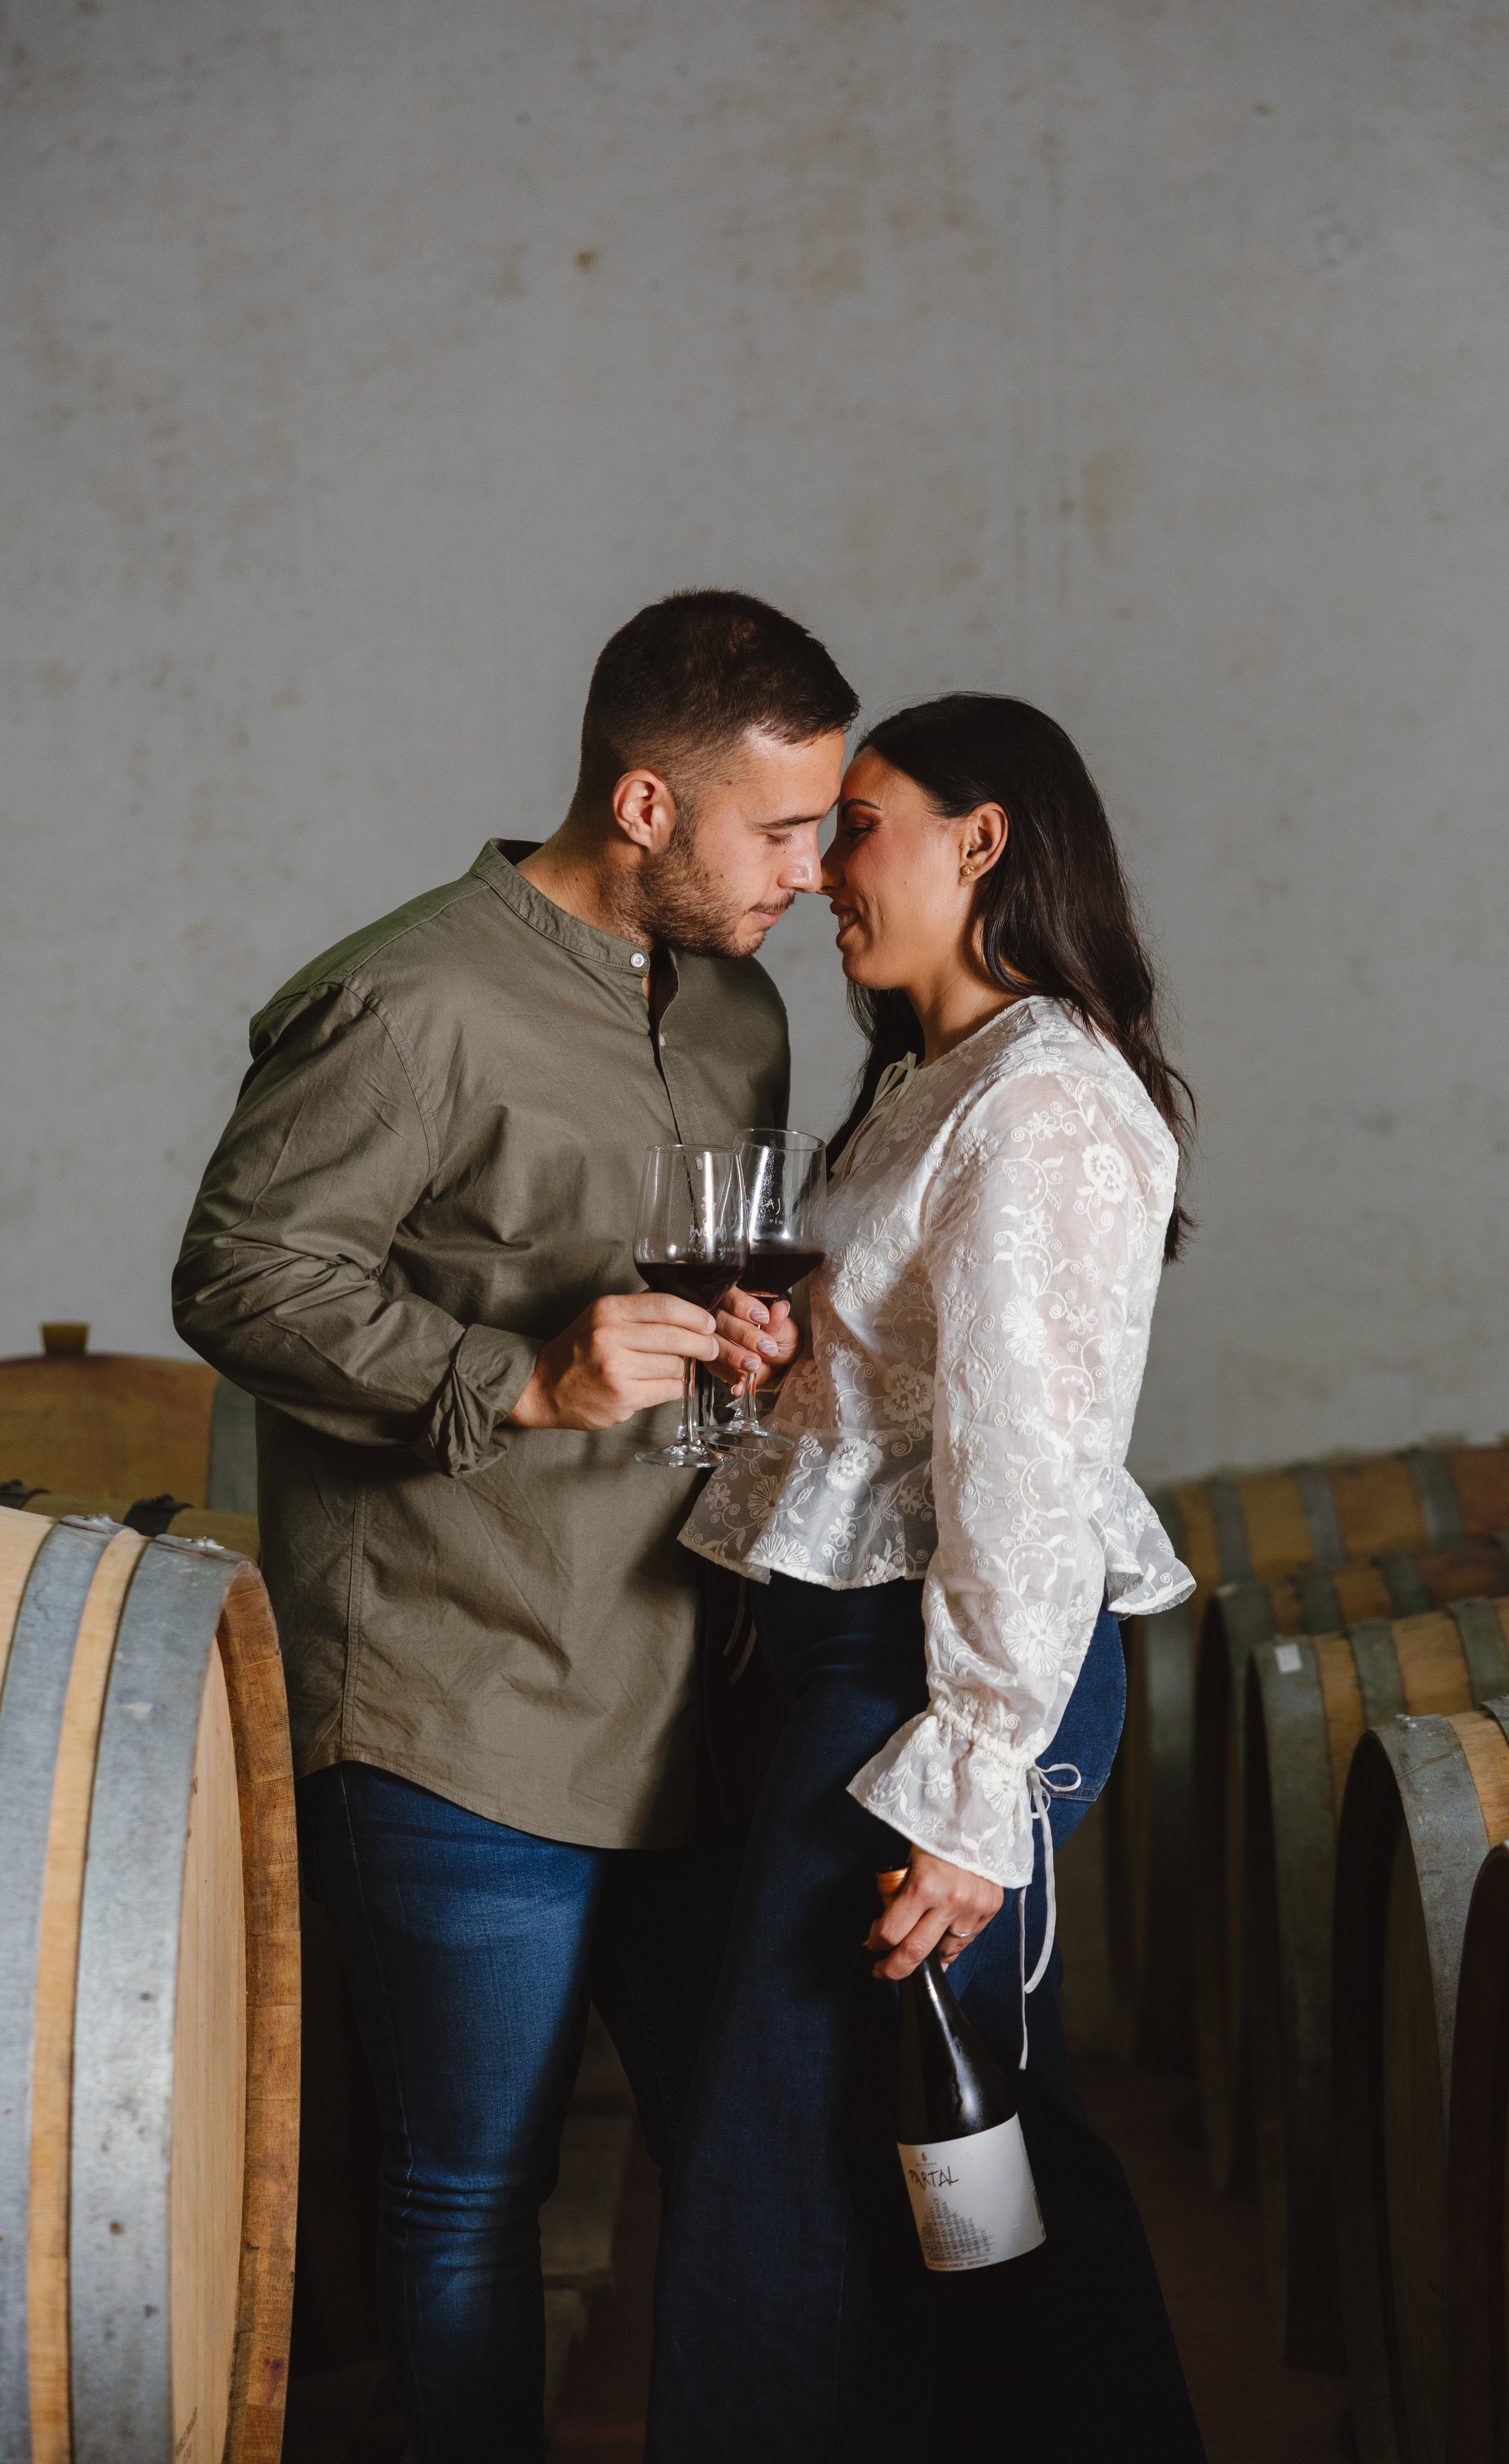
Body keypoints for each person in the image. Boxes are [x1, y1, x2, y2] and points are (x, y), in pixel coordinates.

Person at [172, 590, 858, 2462]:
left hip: (694, 1696)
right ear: (646, 806)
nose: (814, 866)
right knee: (469, 2191)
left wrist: (752, 1340)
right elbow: (238, 1277)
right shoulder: (407, 1001)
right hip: (458, 1702)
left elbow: (702, 1289)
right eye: (780, 830)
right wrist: (516, 1378)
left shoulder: (737, 1007)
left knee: (749, 2159)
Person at [648, 693, 1208, 2461]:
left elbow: (1028, 1474)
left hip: (937, 1671)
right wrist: (783, 1358)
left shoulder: (1043, 1099)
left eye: (861, 824)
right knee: (949, 2139)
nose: (820, 873)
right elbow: (906, 1396)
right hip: (848, 1651)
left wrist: (973, 1791)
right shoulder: (931, 1080)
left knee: (787, 2160)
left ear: (987, 841)